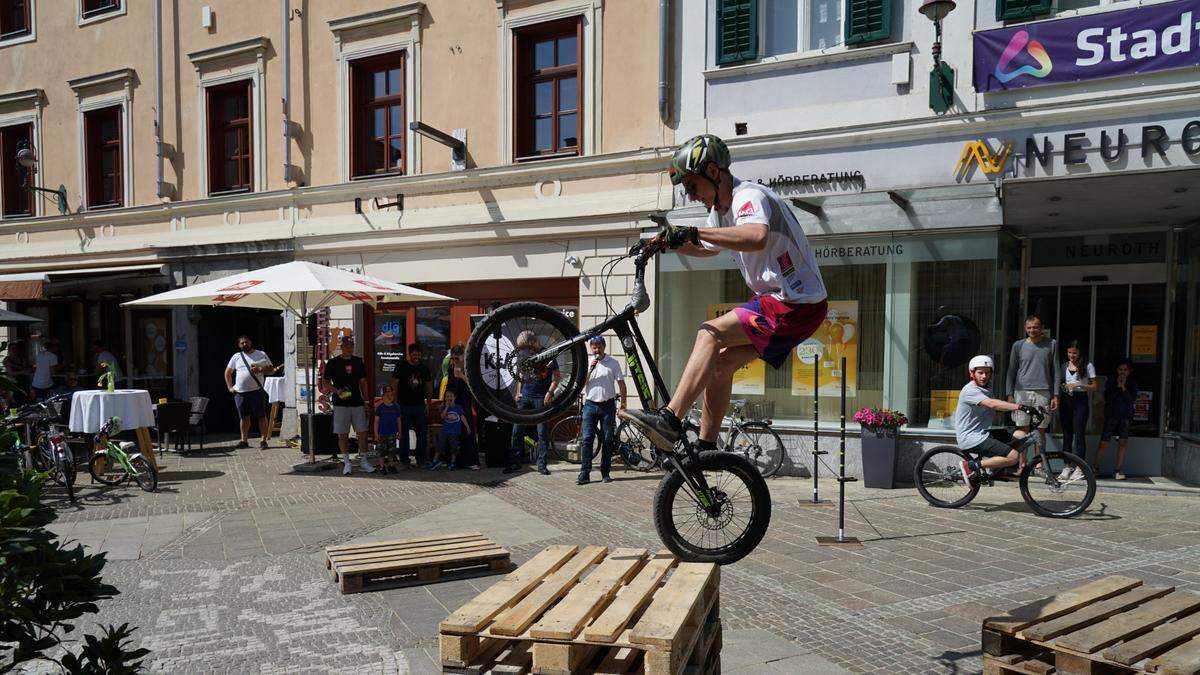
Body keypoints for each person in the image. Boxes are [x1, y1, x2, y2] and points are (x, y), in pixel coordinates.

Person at [621, 134, 828, 453]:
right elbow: (707, 248)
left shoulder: (750, 197)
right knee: (720, 364)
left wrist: (692, 231)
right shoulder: (720, 212)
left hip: (793, 304)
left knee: (709, 333)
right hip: (788, 305)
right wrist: (662, 244)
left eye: (692, 186)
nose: (691, 196)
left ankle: (670, 419)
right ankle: (707, 446)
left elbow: (756, 236)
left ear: (714, 172)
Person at [955, 355, 1035, 481]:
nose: (984, 376)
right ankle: (970, 466)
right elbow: (993, 404)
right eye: (980, 373)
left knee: (1021, 435)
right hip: (971, 437)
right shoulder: (970, 390)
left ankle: (998, 469)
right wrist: (1020, 407)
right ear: (972, 373)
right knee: (1013, 457)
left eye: (987, 373)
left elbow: (993, 410)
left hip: (983, 433)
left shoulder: (986, 388)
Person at [1006, 315, 1059, 460]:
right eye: (1029, 327)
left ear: (1041, 328)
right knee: (1022, 429)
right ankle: (1022, 463)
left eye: (1035, 327)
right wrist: (1009, 394)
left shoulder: (1051, 344)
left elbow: (1055, 370)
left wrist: (1055, 395)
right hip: (1021, 391)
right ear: (1025, 328)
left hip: (1043, 391)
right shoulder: (1018, 345)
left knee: (1041, 429)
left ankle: (1039, 464)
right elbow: (1011, 370)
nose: (1032, 330)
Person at [507, 330, 560, 475]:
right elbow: (521, 374)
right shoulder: (524, 354)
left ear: (533, 343)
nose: (525, 350)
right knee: (517, 430)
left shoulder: (548, 355)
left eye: (526, 347)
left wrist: (550, 392)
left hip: (541, 397)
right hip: (525, 396)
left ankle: (542, 464)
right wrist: (519, 391)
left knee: (542, 433)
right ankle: (514, 463)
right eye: (523, 348)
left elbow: (557, 377)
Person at [577, 336, 627, 485]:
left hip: (607, 406)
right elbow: (581, 384)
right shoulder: (588, 363)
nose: (596, 349)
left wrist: (623, 404)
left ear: (604, 347)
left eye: (599, 346)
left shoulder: (613, 363)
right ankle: (584, 473)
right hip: (590, 405)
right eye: (594, 347)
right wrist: (590, 369)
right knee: (587, 439)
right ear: (591, 348)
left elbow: (622, 385)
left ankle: (605, 472)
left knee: (607, 440)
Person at [322, 334, 374, 475]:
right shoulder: (333, 363)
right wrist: (337, 391)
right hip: (340, 403)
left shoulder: (358, 361)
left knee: (362, 433)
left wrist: (367, 401)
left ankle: (363, 461)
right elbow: (325, 383)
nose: (349, 348)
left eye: (351, 346)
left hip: (357, 402)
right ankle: (347, 463)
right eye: (347, 346)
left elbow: (363, 382)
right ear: (342, 347)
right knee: (343, 434)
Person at [224, 335, 274, 449]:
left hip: (256, 390)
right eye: (242, 343)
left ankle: (263, 440)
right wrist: (230, 387)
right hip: (240, 392)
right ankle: (244, 440)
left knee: (261, 416)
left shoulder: (261, 354)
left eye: (246, 342)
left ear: (250, 342)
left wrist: (260, 369)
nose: (244, 344)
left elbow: (271, 369)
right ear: (239, 345)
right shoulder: (236, 356)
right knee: (244, 417)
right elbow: (227, 372)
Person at [391, 342, 432, 469]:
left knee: (422, 433)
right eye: (414, 354)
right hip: (403, 404)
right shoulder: (401, 366)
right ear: (409, 354)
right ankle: (404, 460)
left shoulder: (424, 368)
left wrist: (428, 403)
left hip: (419, 404)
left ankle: (421, 459)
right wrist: (395, 402)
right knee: (403, 433)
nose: (416, 357)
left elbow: (429, 386)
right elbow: (394, 384)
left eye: (419, 354)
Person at [1095, 359, 1138, 480]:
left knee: (1123, 442)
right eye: (1120, 370)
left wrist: (1124, 388)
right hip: (1111, 415)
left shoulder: (1132, 383)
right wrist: (1117, 386)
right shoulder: (1111, 381)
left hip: (1125, 416)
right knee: (1104, 442)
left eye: (1125, 370)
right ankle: (1096, 467)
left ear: (1129, 371)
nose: (1122, 372)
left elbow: (1131, 400)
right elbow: (1107, 397)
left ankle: (1118, 470)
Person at [1059, 340, 1098, 476]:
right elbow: (1061, 382)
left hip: (1080, 400)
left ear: (1080, 353)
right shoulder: (1064, 365)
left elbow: (1095, 386)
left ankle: (1080, 467)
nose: (1071, 355)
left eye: (1074, 353)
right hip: (1066, 399)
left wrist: (1078, 386)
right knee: (1067, 434)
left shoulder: (1087, 366)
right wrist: (1064, 386)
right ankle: (1067, 466)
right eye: (1069, 352)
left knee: (1079, 434)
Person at [440, 344, 480, 470]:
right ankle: (453, 460)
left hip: (465, 401)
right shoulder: (452, 368)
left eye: (457, 358)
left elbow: (475, 386)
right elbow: (449, 386)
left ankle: (470, 461)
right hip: (454, 402)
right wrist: (445, 400)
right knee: (453, 430)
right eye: (453, 359)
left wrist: (462, 377)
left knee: (467, 429)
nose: (454, 361)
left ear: (463, 357)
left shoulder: (469, 367)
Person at [430, 389, 470, 470]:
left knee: (453, 447)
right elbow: (442, 416)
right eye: (447, 396)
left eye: (451, 396)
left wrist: (467, 427)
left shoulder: (458, 407)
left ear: (455, 397)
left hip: (454, 431)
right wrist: (447, 406)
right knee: (439, 445)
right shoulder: (444, 407)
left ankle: (453, 462)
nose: (449, 398)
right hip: (445, 430)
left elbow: (463, 417)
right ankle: (435, 461)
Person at [373, 385, 403, 474]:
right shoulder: (380, 408)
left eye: (391, 395)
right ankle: (382, 467)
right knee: (381, 451)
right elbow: (376, 422)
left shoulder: (396, 407)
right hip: (382, 433)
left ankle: (391, 465)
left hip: (392, 433)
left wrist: (400, 432)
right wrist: (376, 433)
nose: (390, 397)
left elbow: (399, 421)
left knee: (392, 450)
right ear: (382, 397)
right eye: (387, 395)